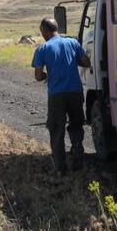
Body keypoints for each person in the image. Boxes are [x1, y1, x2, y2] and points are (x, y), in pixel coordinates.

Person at [32, 17, 91, 174]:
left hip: (57, 94)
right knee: (76, 125)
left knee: (57, 129)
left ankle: (60, 168)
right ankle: (78, 159)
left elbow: (38, 76)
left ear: (45, 31)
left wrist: (46, 75)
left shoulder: (42, 49)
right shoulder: (72, 43)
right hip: (75, 92)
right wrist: (71, 62)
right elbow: (86, 62)